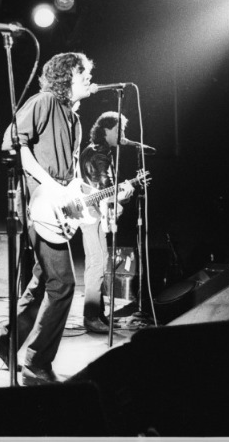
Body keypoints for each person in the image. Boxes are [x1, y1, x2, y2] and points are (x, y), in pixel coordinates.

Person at [0, 52, 94, 386]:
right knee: (62, 284)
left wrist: (81, 196)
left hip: (59, 205)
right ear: (66, 76)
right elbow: (13, 141)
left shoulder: (75, 119)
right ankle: (36, 363)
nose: (89, 77)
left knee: (44, 279)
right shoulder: (44, 101)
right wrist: (49, 184)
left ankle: (6, 342)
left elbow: (71, 173)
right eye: (83, 72)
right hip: (39, 203)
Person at [80, 111, 135, 333]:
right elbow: (105, 191)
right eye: (119, 129)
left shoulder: (94, 150)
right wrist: (125, 194)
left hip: (90, 211)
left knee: (97, 262)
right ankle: (91, 317)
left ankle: (98, 315)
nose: (122, 134)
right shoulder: (100, 154)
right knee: (98, 263)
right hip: (91, 213)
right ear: (106, 130)